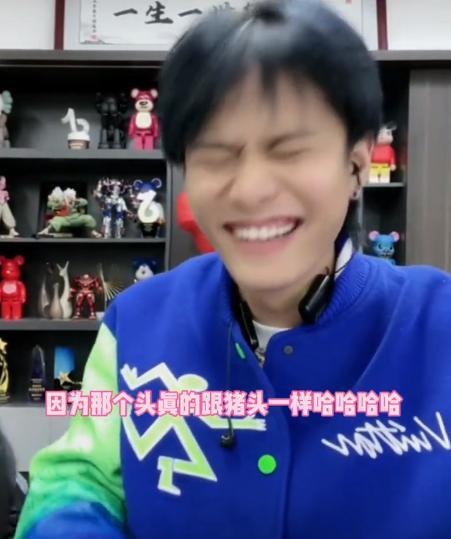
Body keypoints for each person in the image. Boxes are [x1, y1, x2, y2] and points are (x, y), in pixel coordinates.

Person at [15, 1, 451, 538]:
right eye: (216, 155)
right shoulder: (137, 321)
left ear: (357, 162)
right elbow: (79, 482)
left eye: (289, 150)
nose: (250, 190)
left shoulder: (440, 325)